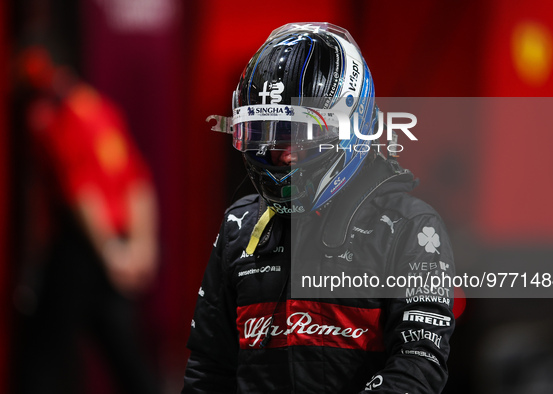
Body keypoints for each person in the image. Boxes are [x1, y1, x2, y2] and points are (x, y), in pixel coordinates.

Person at [182, 22, 455, 393]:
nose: (282, 155)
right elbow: (209, 369)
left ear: (352, 129)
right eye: (265, 134)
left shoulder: (411, 227)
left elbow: (418, 365)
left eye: (300, 137)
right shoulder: (240, 226)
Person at [13, 46, 161, 394]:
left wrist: (113, 253)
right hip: (110, 246)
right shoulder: (101, 109)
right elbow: (137, 182)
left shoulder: (63, 116)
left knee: (42, 356)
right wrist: (141, 246)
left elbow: (82, 194)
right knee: (122, 350)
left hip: (83, 247)